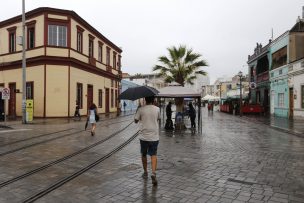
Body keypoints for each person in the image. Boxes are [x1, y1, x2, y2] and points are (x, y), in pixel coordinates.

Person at [134, 96, 160, 186]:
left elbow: (135, 121)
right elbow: (157, 119)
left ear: (145, 100)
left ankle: (145, 171)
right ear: (153, 100)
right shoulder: (157, 109)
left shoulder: (141, 109)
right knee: (153, 154)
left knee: (144, 154)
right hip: (154, 136)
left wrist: (138, 112)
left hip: (144, 136)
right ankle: (153, 172)